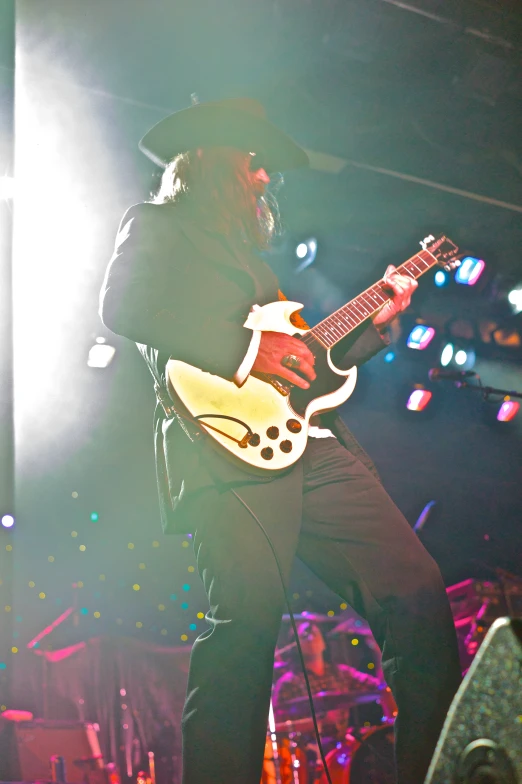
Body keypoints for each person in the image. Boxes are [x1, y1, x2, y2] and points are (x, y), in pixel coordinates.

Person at [99, 98, 461, 784]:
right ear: (212, 159)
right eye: (256, 163)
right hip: (223, 455)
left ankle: (437, 772)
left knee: (415, 589)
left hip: (311, 448)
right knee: (244, 630)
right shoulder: (155, 226)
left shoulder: (255, 268)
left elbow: (308, 371)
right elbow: (125, 307)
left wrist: (375, 323)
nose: (266, 179)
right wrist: (246, 350)